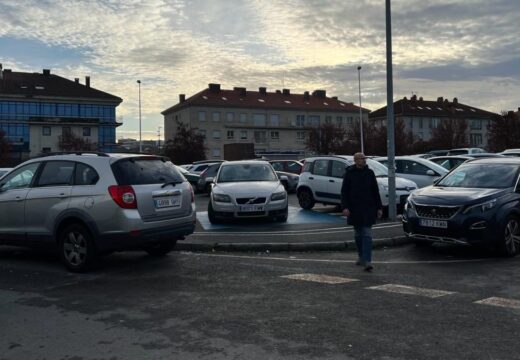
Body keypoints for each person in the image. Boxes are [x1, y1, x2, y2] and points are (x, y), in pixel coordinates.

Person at [341, 152, 383, 272]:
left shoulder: (369, 173)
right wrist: (345, 207)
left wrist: (379, 207)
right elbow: (344, 192)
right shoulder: (349, 174)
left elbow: (375, 191)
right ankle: (361, 256)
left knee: (367, 234)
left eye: (364, 158)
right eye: (361, 159)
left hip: (368, 208)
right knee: (358, 235)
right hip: (354, 209)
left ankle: (367, 261)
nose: (364, 160)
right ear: (355, 160)